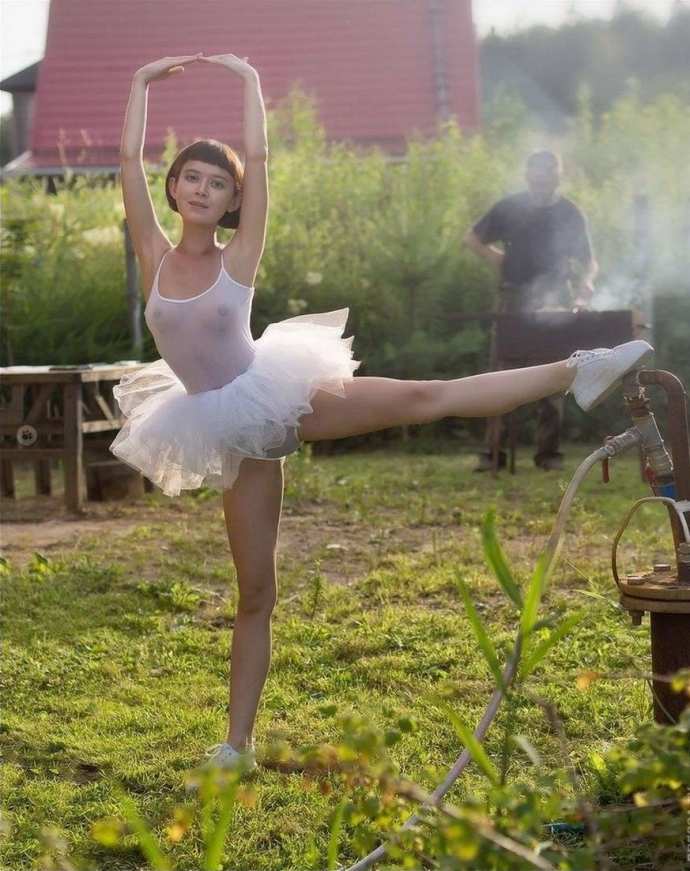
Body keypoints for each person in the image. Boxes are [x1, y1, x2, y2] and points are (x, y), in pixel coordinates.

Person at [112, 54, 652, 773]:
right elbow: (126, 160)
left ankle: (579, 369)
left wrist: (249, 81)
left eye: (218, 182)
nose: (203, 189)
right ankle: (236, 745)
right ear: (174, 186)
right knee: (255, 592)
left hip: (274, 394)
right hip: (221, 426)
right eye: (192, 177)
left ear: (233, 199)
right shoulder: (152, 253)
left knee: (427, 396)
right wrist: (141, 83)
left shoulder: (238, 257)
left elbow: (261, 159)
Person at [465, 150, 598, 472]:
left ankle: (548, 454)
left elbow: (589, 261)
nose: (542, 179)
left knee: (555, 376)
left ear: (558, 176)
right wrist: (498, 258)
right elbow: (472, 238)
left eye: (549, 173)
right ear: (528, 175)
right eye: (537, 173)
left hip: (556, 300)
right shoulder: (509, 207)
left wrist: (586, 282)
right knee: (501, 374)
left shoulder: (569, 213)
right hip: (513, 298)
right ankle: (493, 453)